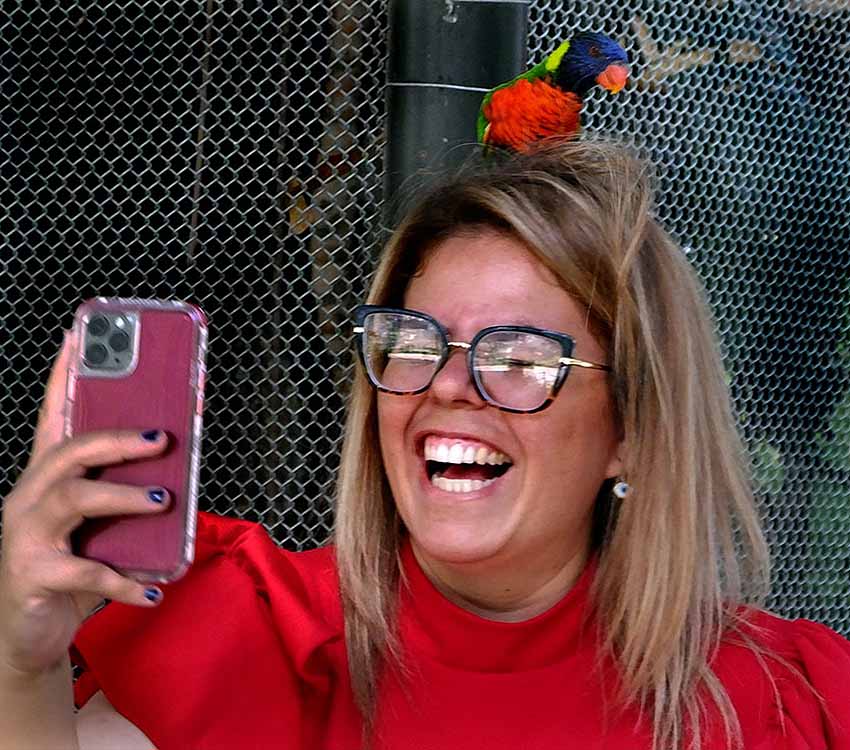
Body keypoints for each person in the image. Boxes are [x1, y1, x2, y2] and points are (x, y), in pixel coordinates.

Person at [1, 139, 849, 750]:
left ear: (630, 429)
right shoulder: (262, 637)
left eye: (518, 359)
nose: (447, 385)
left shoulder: (793, 701)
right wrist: (21, 666)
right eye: (412, 345)